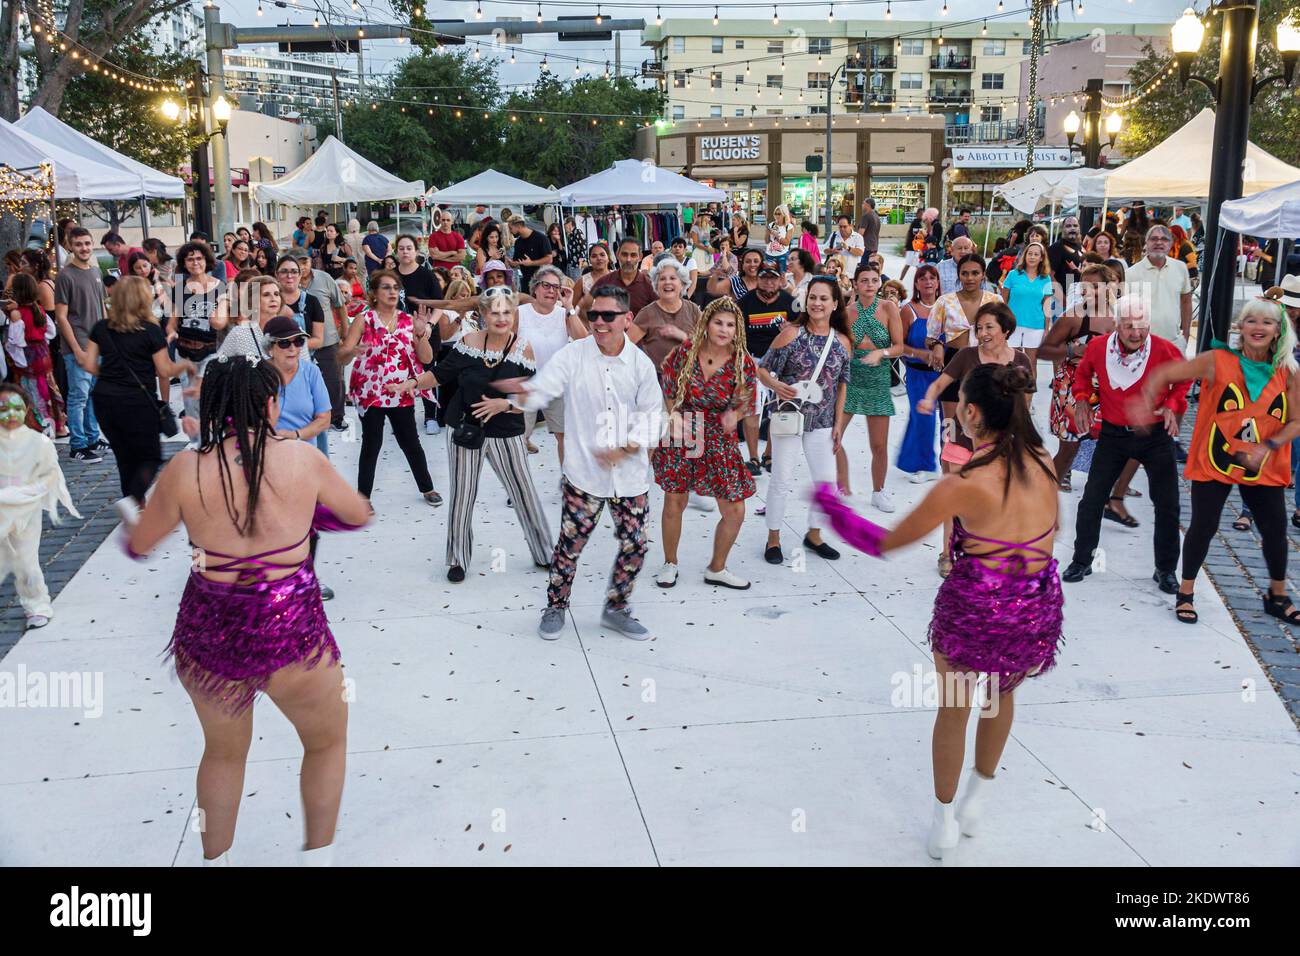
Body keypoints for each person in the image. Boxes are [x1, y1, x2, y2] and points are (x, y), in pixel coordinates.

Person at [123, 353, 371, 866]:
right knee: (326, 744)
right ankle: (317, 860)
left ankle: (216, 862)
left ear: (213, 406)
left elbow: (140, 544)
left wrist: (132, 521)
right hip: (294, 630)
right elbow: (358, 514)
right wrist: (306, 518)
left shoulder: (186, 468)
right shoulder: (304, 460)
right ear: (272, 403)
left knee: (222, 752)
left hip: (208, 631)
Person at [813, 362, 1062, 863]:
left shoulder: (964, 482)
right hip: (1034, 602)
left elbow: (885, 542)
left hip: (976, 606)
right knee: (1002, 692)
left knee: (955, 709)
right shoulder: (1044, 459)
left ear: (970, 413)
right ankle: (978, 798)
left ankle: (944, 821)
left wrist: (833, 509)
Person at [497, 285, 662, 643]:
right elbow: (544, 388)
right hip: (583, 474)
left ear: (627, 319)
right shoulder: (573, 355)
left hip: (630, 477)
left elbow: (652, 418)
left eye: (608, 316)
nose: (599, 323)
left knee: (636, 545)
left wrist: (627, 447)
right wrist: (517, 397)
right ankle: (556, 606)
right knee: (570, 546)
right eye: (593, 316)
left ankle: (617, 609)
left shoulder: (641, 365)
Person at [1141, 298, 1300, 625]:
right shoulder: (1217, 360)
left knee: (1275, 529)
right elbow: (1167, 373)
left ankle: (1277, 595)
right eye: (1251, 321)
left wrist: (1267, 445)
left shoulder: (1289, 372)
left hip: (1264, 462)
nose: (1258, 327)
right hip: (1215, 459)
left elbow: (1296, 420)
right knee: (1204, 524)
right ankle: (1185, 593)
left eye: (1267, 323)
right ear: (1240, 328)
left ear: (1278, 331)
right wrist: (1157, 404)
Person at [402, 288, 554, 582]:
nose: (501, 318)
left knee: (524, 494)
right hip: (466, 430)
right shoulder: (467, 343)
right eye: (494, 312)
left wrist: (504, 404)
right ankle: (457, 559)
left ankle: (545, 552)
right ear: (483, 315)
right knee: (462, 496)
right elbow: (439, 375)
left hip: (506, 433)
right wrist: (412, 382)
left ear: (514, 315)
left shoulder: (524, 348)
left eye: (506, 312)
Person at [1061, 296, 1190, 593]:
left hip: (1155, 436)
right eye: (1129, 326)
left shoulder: (1162, 348)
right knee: (1092, 499)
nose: (1136, 333)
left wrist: (1172, 403)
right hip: (1113, 435)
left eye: (1142, 326)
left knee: (1167, 504)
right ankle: (1082, 560)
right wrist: (1081, 399)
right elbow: (1082, 375)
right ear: (1117, 325)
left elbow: (1184, 378)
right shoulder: (1098, 347)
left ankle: (1166, 569)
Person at [919, 302, 1035, 575]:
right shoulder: (966, 356)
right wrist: (928, 398)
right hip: (961, 438)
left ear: (1005, 330)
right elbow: (940, 383)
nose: (982, 333)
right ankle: (947, 552)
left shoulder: (1020, 361)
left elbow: (1025, 404)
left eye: (989, 327)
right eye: (979, 327)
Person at [652, 297, 757, 590]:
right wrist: (673, 413)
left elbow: (747, 399)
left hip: (718, 437)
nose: (723, 330)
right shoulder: (687, 352)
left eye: (730, 325)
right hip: (686, 428)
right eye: (718, 323)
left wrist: (734, 414)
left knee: (735, 509)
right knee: (675, 500)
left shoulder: (742, 361)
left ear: (737, 330)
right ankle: (670, 563)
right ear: (707, 324)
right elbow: (669, 383)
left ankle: (717, 568)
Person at [757, 276, 853, 565]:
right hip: (789, 418)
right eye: (813, 297)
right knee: (781, 479)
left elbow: (843, 384)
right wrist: (776, 386)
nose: (817, 303)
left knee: (825, 483)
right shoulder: (792, 334)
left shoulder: (842, 342)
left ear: (835, 304)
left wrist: (838, 424)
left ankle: (814, 535)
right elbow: (763, 369)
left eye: (824, 298)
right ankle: (773, 537)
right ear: (805, 299)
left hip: (823, 422)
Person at [80, 276, 192, 506]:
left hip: (105, 399)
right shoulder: (150, 330)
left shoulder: (101, 328)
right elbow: (164, 370)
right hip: (138, 401)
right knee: (149, 456)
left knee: (124, 455)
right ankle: (135, 495)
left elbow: (89, 365)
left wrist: (112, 376)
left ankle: (133, 500)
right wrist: (187, 364)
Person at [337, 269, 442, 507]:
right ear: (374, 293)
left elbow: (426, 359)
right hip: (371, 393)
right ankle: (363, 498)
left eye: (396, 287)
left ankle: (427, 488)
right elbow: (342, 357)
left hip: (400, 391)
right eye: (386, 287)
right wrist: (350, 352)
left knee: (410, 442)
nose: (392, 291)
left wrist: (421, 333)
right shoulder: (365, 320)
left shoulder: (408, 320)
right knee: (372, 443)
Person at [0, 383, 79, 630]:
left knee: (26, 560)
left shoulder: (39, 443)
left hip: (25, 511)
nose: (10, 414)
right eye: (3, 408)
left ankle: (36, 604)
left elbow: (48, 478)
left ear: (26, 410)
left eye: (16, 408)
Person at [1037, 262, 1119, 490]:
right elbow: (1044, 350)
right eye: (1085, 286)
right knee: (1068, 449)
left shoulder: (1117, 318)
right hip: (1072, 388)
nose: (1088, 291)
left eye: (1095, 286)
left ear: (1109, 287)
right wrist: (1073, 351)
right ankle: (1043, 494)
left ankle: (1104, 498)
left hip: (1102, 390)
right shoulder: (1073, 316)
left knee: (1106, 448)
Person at [840, 261, 904, 511]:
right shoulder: (847, 311)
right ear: (855, 284)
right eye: (864, 280)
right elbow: (842, 345)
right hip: (852, 378)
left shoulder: (889, 308)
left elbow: (899, 346)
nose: (869, 285)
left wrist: (882, 352)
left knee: (878, 445)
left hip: (878, 379)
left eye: (874, 280)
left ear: (880, 283)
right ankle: (841, 485)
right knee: (832, 437)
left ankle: (879, 491)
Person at [517, 266, 586, 459]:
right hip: (525, 384)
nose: (551, 291)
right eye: (546, 285)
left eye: (556, 287)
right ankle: (521, 486)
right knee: (518, 438)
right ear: (535, 288)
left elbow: (583, 340)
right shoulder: (520, 313)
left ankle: (568, 482)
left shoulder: (563, 314)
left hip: (557, 383)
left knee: (565, 436)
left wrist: (569, 306)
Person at [53, 226, 108, 462]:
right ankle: (77, 445)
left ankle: (93, 437)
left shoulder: (95, 271)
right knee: (78, 397)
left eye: (87, 243)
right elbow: (61, 316)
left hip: (98, 345)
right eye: (78, 244)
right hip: (78, 346)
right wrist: (75, 348)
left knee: (94, 395)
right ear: (70, 246)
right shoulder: (65, 275)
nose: (84, 248)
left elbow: (102, 306)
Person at [737, 259, 794, 474]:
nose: (769, 282)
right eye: (764, 277)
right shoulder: (745, 302)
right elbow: (736, 335)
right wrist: (744, 358)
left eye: (773, 278)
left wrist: (789, 331)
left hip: (780, 363)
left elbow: (801, 333)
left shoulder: (790, 303)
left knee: (776, 410)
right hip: (752, 360)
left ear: (780, 280)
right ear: (758, 279)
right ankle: (753, 458)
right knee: (752, 409)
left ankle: (769, 454)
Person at [897, 264, 943, 482]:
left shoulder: (947, 306)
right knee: (923, 417)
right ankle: (925, 465)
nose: (928, 281)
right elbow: (897, 345)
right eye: (922, 278)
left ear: (937, 282)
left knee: (949, 420)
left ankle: (948, 462)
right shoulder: (908, 310)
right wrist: (919, 353)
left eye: (932, 277)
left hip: (945, 374)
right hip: (917, 373)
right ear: (916, 284)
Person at [4, 273, 66, 437]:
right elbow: (51, 332)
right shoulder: (38, 309)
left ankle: (41, 426)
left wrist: (17, 359)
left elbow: (16, 341)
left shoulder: (18, 313)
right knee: (49, 388)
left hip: (28, 357)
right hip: (43, 353)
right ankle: (57, 423)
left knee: (32, 392)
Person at [297, 254, 349, 432]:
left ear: (310, 261)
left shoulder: (325, 278)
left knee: (334, 379)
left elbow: (340, 305)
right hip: (298, 343)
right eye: (297, 263)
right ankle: (311, 418)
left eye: (304, 261)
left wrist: (345, 333)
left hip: (327, 339)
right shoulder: (288, 282)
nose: (301, 266)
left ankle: (337, 417)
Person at [631, 257, 702, 371]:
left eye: (673, 278)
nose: (667, 282)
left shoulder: (693, 310)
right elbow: (626, 347)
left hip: (690, 377)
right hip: (658, 380)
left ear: (682, 284)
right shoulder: (647, 313)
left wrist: (683, 337)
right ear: (656, 285)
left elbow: (706, 346)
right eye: (662, 279)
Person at [1000, 241, 1053, 364]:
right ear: (1025, 255)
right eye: (1030, 254)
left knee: (1031, 364)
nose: (1032, 257)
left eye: (1036, 254)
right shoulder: (1013, 275)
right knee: (1011, 363)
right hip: (1013, 325)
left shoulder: (1046, 278)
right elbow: (1003, 301)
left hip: (1036, 326)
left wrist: (1047, 329)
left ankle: (1031, 384)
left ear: (1041, 258)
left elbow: (1047, 305)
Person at [582, 237, 655, 318]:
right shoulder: (604, 282)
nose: (628, 260)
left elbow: (658, 315)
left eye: (633, 255)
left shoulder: (649, 285)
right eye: (624, 254)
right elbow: (583, 309)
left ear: (640, 257)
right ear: (617, 255)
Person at [507, 215, 553, 289]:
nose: (510, 231)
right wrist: (513, 264)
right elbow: (518, 263)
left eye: (510, 228)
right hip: (526, 282)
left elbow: (549, 259)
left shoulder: (541, 238)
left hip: (541, 281)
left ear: (518, 226)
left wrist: (531, 263)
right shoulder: (518, 242)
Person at [1047, 216, 1083, 307]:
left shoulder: (1080, 246)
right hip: (1062, 301)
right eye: (1068, 226)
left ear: (1079, 228)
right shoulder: (1057, 247)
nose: (1072, 228)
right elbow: (1049, 275)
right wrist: (1062, 299)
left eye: (1075, 225)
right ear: (1063, 229)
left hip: (1078, 297)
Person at [765, 204, 793, 274]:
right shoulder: (771, 225)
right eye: (775, 213)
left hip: (782, 255)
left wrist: (777, 236)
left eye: (779, 214)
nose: (777, 216)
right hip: (769, 255)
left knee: (782, 276)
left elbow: (787, 242)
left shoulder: (789, 226)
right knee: (770, 276)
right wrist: (767, 233)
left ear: (784, 214)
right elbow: (766, 241)